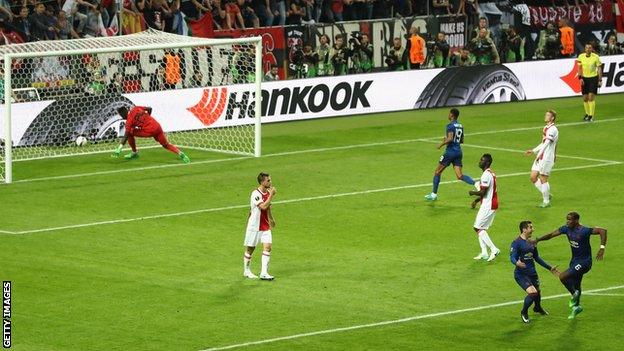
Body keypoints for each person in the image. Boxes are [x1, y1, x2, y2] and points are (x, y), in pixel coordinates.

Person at [532, 212, 607, 319]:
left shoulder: (584, 231)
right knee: (577, 285)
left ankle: (574, 295)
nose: (567, 221)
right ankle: (576, 307)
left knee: (563, 276)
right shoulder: (566, 229)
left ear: (576, 220)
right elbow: (551, 235)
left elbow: (602, 230)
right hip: (574, 261)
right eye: (567, 219)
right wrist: (538, 240)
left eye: (570, 220)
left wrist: (602, 248)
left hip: (585, 262)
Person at [510, 220, 560, 323]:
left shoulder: (532, 242)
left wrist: (550, 267)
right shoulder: (516, 243)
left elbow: (536, 258)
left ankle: (537, 308)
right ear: (524, 229)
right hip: (521, 274)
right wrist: (517, 263)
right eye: (530, 227)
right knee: (533, 293)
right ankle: (524, 312)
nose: (533, 229)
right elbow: (512, 257)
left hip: (532, 273)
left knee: (538, 292)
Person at [425, 108, 475, 201]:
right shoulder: (460, 125)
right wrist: (449, 139)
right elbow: (462, 140)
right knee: (460, 176)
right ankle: (476, 184)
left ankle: (434, 194)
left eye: (449, 114)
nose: (448, 115)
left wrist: (441, 143)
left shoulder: (450, 125)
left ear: (452, 115)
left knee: (437, 172)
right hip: (458, 152)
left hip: (450, 152)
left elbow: (450, 138)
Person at [112, 106, 191, 163]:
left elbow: (126, 135)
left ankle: (134, 153)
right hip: (157, 126)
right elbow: (150, 108)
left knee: (129, 133)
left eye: (121, 115)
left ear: (123, 114)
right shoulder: (136, 108)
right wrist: (147, 118)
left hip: (149, 131)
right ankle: (180, 153)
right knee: (165, 144)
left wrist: (119, 148)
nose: (121, 117)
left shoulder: (129, 121)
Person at [243, 172, 277, 280]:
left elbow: (268, 208)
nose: (270, 182)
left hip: (265, 226)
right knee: (250, 249)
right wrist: (271, 195)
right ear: (262, 182)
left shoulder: (267, 192)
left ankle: (264, 273)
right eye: (268, 181)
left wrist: (271, 219)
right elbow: (263, 206)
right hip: (254, 227)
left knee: (268, 247)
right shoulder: (255, 194)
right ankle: (246, 271)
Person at [468, 153, 500, 262]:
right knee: (480, 228)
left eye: (482, 160)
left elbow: (482, 192)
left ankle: (494, 249)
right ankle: (484, 253)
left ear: (487, 163)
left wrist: (472, 193)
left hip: (489, 205)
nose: (479, 162)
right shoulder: (490, 174)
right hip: (489, 203)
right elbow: (488, 192)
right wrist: (477, 201)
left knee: (478, 228)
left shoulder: (486, 175)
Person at [524, 110, 558, 208]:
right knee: (533, 177)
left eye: (548, 115)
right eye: (546, 114)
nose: (546, 116)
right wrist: (534, 151)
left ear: (552, 118)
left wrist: (539, 154)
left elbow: (547, 143)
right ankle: (546, 193)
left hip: (546, 158)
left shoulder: (553, 129)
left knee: (543, 179)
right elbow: (543, 143)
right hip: (541, 156)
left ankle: (546, 201)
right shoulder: (546, 128)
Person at [577, 43, 602, 122]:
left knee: (591, 97)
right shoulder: (581, 57)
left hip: (593, 78)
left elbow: (599, 69)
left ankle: (591, 116)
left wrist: (600, 80)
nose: (588, 49)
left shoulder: (596, 57)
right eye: (586, 47)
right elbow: (579, 68)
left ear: (592, 49)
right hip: (584, 78)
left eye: (589, 48)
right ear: (585, 49)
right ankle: (587, 114)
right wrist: (580, 78)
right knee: (585, 98)